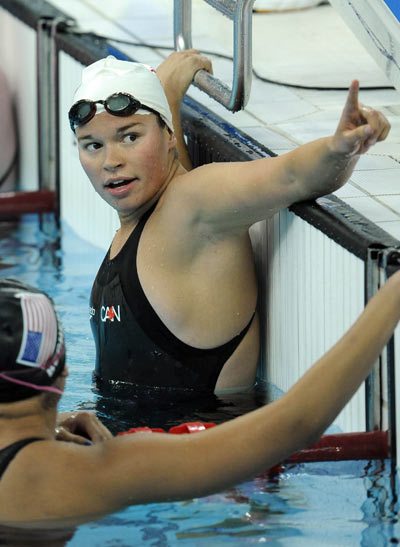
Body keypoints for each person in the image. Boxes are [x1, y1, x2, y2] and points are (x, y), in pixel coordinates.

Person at [69, 51, 390, 395]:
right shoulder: (159, 220)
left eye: (130, 137)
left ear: (168, 137)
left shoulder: (193, 202)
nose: (111, 161)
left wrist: (339, 148)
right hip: (139, 440)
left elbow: (292, 176)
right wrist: (169, 93)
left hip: (200, 443)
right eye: (92, 146)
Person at [1, 273, 400, 527]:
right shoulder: (94, 472)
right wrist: (392, 295)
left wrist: (50, 428)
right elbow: (297, 423)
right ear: (62, 371)